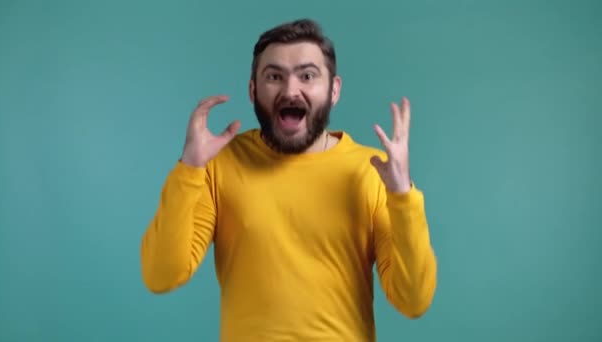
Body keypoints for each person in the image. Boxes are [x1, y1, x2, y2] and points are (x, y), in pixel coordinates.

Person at [140, 18, 437, 341]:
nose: (290, 90)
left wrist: (402, 195)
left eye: (307, 76)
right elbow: (161, 275)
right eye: (274, 77)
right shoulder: (220, 164)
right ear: (253, 90)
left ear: (333, 90)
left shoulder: (371, 171)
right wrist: (189, 168)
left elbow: (413, 300)